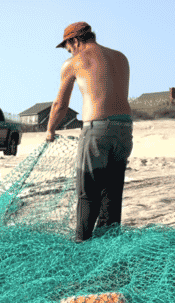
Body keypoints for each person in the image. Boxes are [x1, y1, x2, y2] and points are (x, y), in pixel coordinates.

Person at [46, 22, 133, 242]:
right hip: (124, 128)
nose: (69, 52)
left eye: (68, 47)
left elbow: (60, 104)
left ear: (74, 41)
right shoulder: (121, 58)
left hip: (97, 130)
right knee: (112, 193)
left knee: (87, 192)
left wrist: (50, 131)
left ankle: (81, 246)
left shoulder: (74, 62)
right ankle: (107, 245)